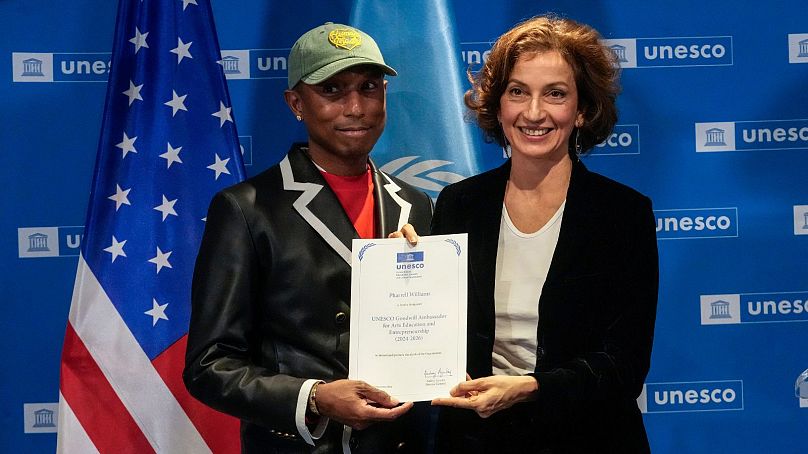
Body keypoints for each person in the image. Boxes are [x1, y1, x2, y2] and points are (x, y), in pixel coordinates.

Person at [183, 22, 432, 453]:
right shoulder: (247, 208)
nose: (356, 107)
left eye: (369, 87)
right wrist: (314, 398)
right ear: (296, 103)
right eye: (332, 90)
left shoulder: (416, 204)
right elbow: (209, 365)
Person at [429, 15, 659, 453]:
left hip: (587, 438)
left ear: (582, 110)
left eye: (555, 94)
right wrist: (405, 272)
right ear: (498, 105)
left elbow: (624, 364)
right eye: (518, 92)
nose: (533, 113)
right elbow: (437, 327)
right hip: (476, 439)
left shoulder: (622, 214)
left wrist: (531, 388)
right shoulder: (459, 203)